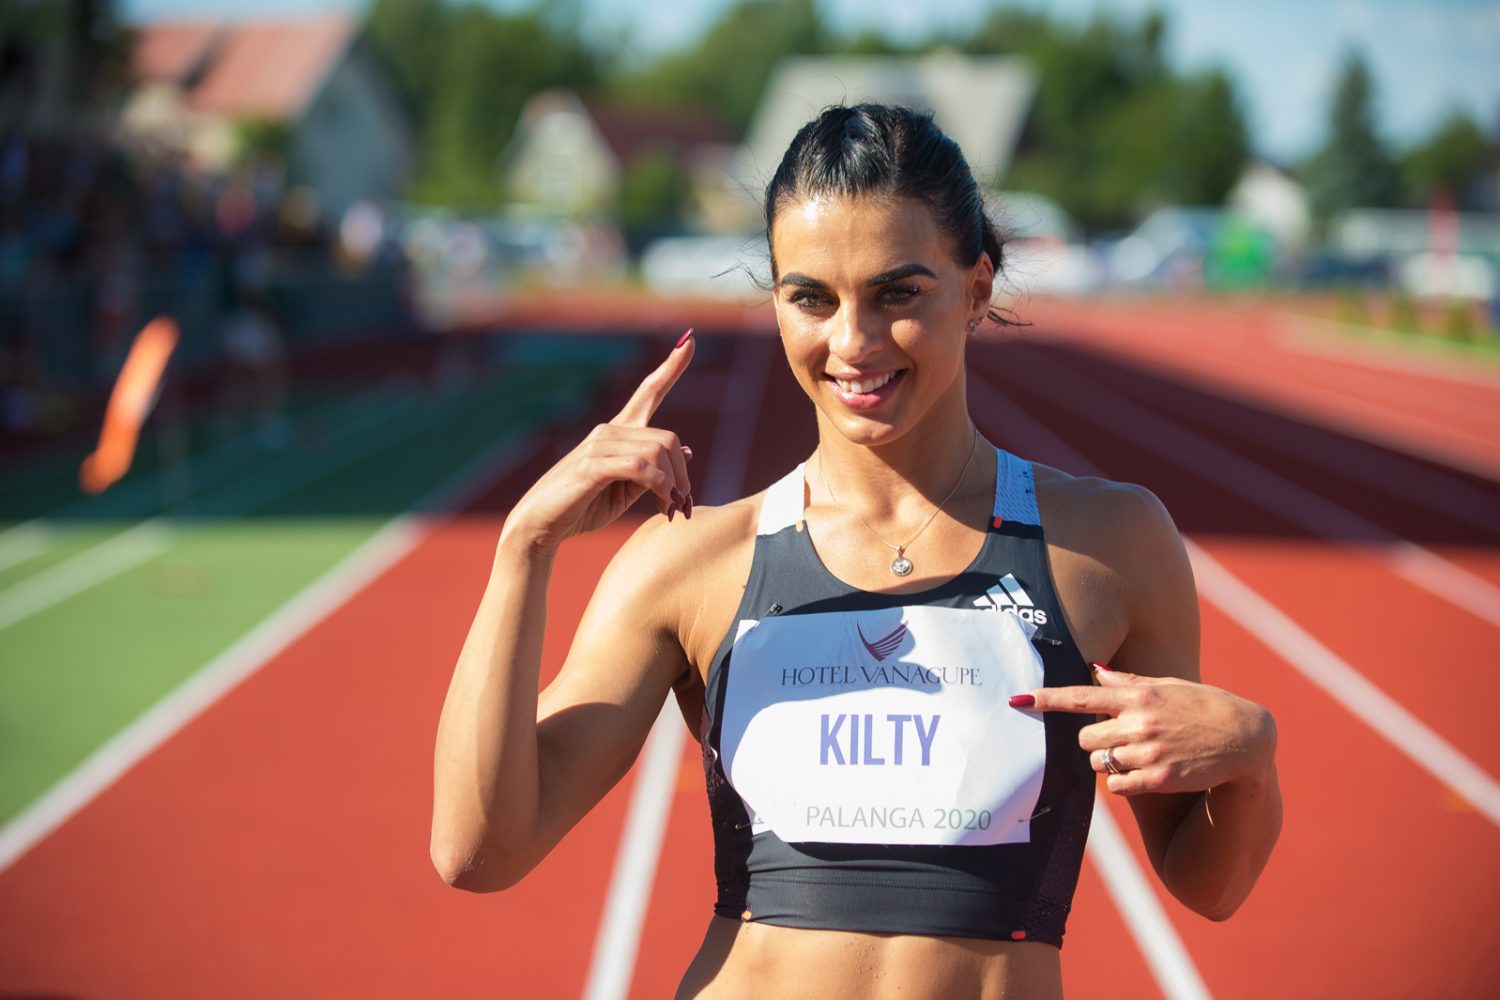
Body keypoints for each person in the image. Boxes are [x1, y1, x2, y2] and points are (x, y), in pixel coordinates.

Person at [431, 104, 1282, 998]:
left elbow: (1207, 884)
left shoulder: (1109, 544)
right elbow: (478, 850)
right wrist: (523, 548)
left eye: (897, 293)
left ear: (977, 288)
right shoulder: (690, 563)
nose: (852, 343)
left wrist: (1253, 758)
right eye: (812, 297)